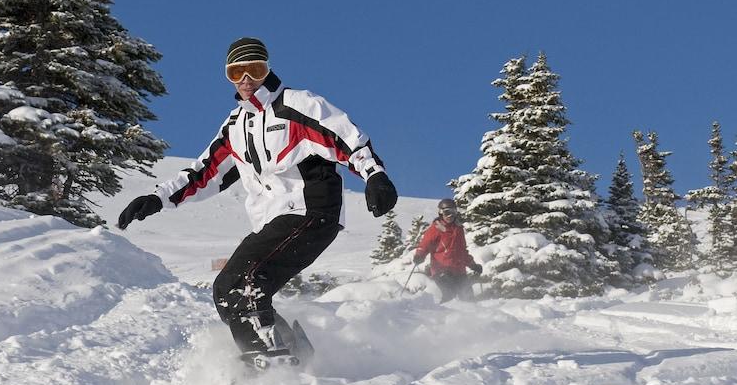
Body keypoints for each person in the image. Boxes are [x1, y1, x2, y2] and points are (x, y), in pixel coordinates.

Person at [117, 37, 397, 367]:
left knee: (244, 281)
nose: (246, 79)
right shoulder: (236, 125)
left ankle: (267, 362)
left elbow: (346, 138)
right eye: (237, 72)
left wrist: (374, 175)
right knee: (225, 292)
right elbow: (203, 173)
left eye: (255, 69)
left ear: (267, 69)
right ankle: (292, 353)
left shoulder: (298, 105)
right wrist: (156, 198)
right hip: (272, 221)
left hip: (311, 212)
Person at [412, 199, 482, 302]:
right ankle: (442, 316)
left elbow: (462, 251)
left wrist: (472, 265)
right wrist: (419, 255)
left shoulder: (458, 229)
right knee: (450, 294)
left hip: (459, 270)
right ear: (441, 213)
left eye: (453, 212)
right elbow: (425, 244)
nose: (450, 216)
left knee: (468, 297)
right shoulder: (436, 228)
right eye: (447, 212)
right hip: (441, 269)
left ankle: (468, 317)